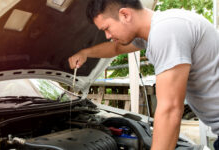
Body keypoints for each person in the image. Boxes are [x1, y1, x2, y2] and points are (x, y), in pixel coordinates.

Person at [68, 0, 219, 149]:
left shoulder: (165, 31)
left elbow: (170, 109)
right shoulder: (157, 30)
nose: (107, 35)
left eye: (107, 28)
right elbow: (116, 48)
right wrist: (85, 53)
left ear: (125, 15)